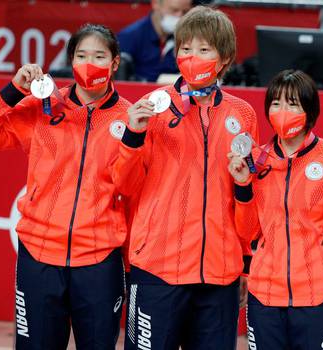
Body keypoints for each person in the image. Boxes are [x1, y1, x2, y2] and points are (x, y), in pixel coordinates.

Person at [0, 24, 130, 349]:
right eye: (81, 55)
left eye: (99, 56)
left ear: (114, 63)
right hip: (39, 257)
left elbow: (137, 191)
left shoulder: (130, 118)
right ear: (70, 61)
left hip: (98, 262)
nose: (89, 63)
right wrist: (13, 90)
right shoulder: (43, 108)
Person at [113, 6, 258, 349]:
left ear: (224, 59)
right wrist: (133, 135)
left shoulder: (242, 114)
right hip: (158, 268)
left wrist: (245, 264)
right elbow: (123, 183)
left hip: (219, 272)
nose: (192, 57)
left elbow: (246, 199)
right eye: (185, 49)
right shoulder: (153, 106)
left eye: (204, 49)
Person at [228, 69, 323, 349]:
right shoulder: (254, 161)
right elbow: (249, 232)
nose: (282, 110)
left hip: (319, 295)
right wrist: (242, 186)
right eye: (276, 103)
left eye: (293, 103)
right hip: (264, 295)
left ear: (310, 111)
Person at [118, 0, 193, 82]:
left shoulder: (189, 39)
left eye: (185, 12)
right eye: (174, 10)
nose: (179, 17)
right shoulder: (128, 37)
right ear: (155, 4)